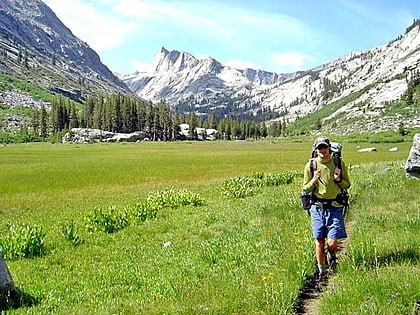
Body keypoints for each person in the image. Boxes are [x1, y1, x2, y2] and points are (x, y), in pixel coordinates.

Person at [302, 136, 351, 280]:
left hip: (335, 207)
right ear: (315, 150)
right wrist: (314, 179)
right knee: (319, 241)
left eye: (324, 147)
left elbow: (347, 185)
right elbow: (306, 188)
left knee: (332, 242)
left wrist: (338, 179)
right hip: (317, 208)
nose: (322, 150)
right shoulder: (310, 166)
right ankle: (322, 271)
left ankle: (332, 255)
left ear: (329, 148)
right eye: (319, 148)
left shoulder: (338, 163)